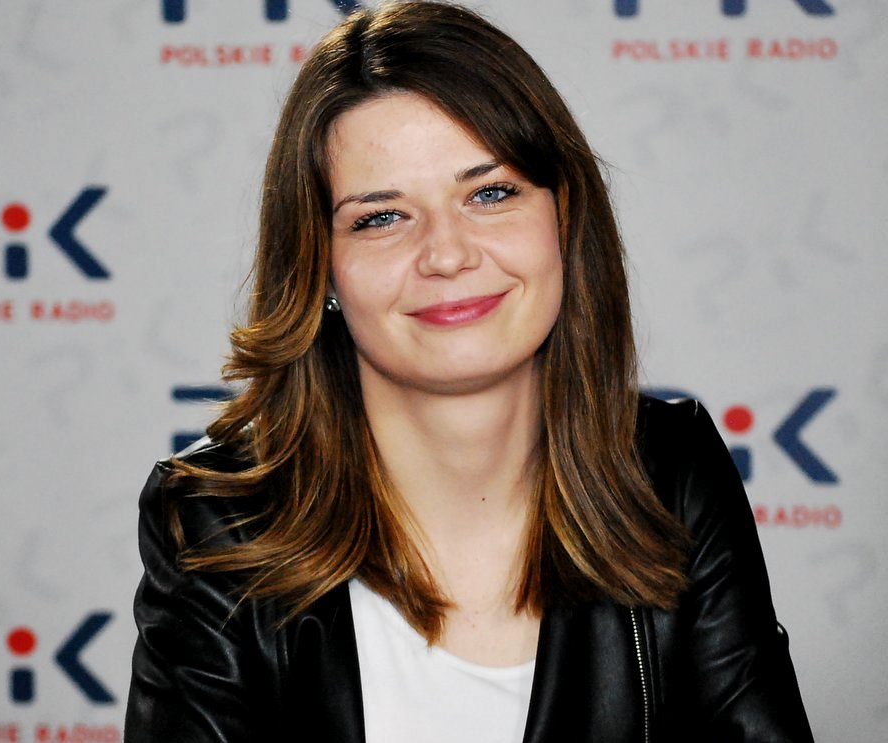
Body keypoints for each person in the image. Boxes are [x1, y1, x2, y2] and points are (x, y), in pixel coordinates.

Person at [126, 2, 814, 741]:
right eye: (380, 217)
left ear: (563, 218)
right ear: (319, 266)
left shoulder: (670, 472)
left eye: (490, 193)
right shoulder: (217, 521)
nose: (447, 254)